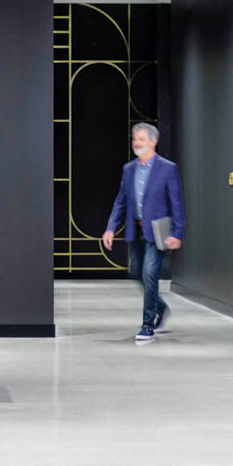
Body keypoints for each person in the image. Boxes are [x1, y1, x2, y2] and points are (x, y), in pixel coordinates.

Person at [102, 122, 185, 344]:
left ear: (153, 141)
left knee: (150, 274)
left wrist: (178, 233)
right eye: (135, 139)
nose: (136, 143)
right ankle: (160, 306)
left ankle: (148, 324)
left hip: (157, 232)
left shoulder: (168, 168)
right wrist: (111, 227)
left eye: (141, 139)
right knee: (137, 273)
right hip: (135, 230)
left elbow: (177, 203)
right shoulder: (129, 169)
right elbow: (121, 200)